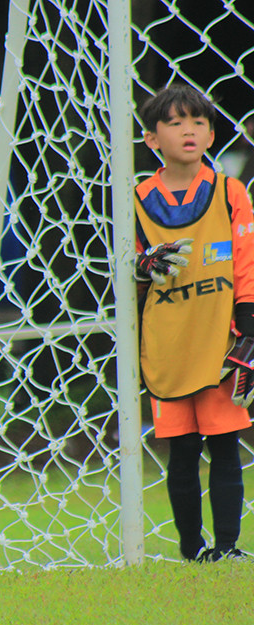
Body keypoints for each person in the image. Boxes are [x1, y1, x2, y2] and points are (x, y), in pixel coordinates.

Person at [134, 84, 254, 562]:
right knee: (181, 452)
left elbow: (245, 262)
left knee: (225, 444)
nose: (189, 130)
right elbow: (127, 267)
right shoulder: (136, 198)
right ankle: (190, 549)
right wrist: (141, 265)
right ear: (152, 139)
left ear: (210, 134)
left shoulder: (230, 191)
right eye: (176, 122)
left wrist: (249, 329)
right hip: (166, 342)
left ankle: (227, 548)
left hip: (219, 340)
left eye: (199, 122)